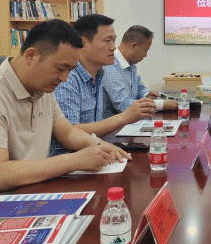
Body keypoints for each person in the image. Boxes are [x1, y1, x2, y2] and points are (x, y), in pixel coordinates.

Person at [0, 20, 130, 198]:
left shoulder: (42, 88)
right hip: (3, 204)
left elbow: (67, 132)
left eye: (70, 70)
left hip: (37, 191)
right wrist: (74, 160)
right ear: (31, 56)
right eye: (61, 69)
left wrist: (99, 146)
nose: (65, 79)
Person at [50, 14, 156, 156]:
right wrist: (124, 117)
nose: (113, 47)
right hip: (69, 161)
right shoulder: (68, 79)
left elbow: (95, 131)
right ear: (83, 43)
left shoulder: (99, 74)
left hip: (94, 153)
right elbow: (69, 132)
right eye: (107, 41)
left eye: (114, 40)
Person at [103, 25, 177, 118]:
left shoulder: (131, 65)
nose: (145, 55)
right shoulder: (110, 65)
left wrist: (147, 95)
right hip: (114, 124)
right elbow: (123, 104)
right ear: (134, 46)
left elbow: (140, 89)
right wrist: (161, 105)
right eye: (145, 50)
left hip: (131, 121)